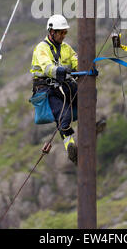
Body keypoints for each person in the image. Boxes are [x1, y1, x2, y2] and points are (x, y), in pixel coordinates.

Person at [30, 14, 79, 165]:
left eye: (65, 32)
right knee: (62, 114)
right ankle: (70, 145)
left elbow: (76, 61)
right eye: (61, 32)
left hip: (62, 86)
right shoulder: (42, 48)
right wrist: (62, 71)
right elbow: (47, 67)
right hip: (46, 90)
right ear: (52, 32)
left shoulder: (66, 48)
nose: (63, 35)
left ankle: (91, 124)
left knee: (87, 96)